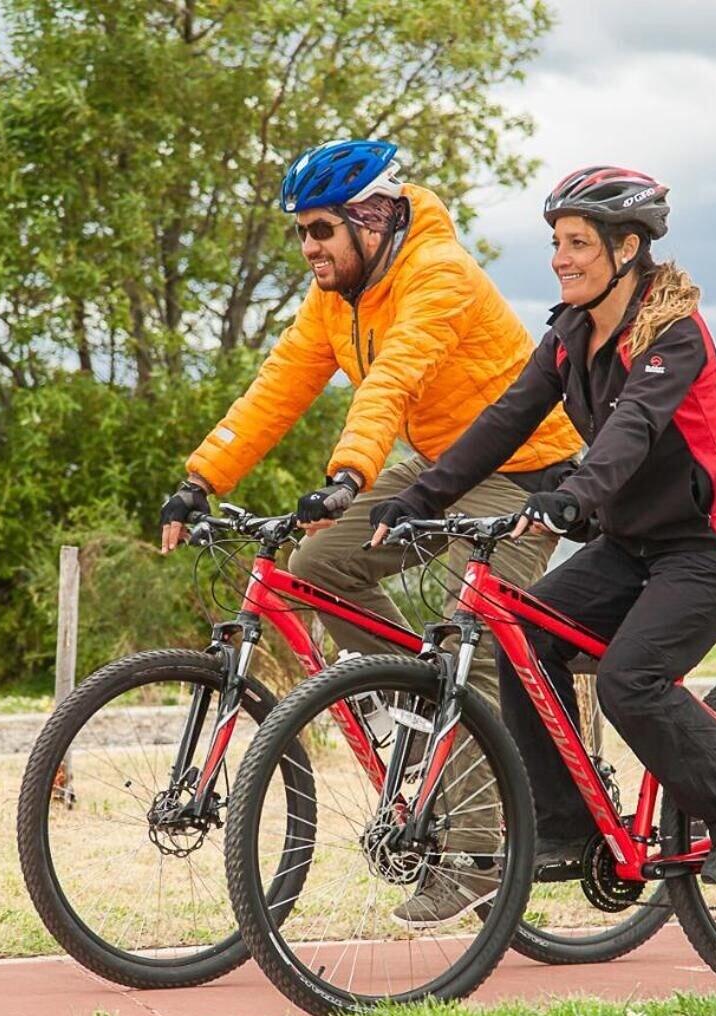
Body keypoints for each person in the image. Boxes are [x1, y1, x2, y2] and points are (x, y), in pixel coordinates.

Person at [158, 138, 583, 926]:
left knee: (474, 637)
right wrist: (199, 480)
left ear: (374, 217)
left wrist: (351, 472)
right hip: (439, 468)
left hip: (525, 472)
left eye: (321, 230)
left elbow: (396, 377)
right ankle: (422, 704)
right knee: (318, 567)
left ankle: (480, 853)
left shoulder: (438, 272)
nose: (309, 247)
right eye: (301, 232)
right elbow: (276, 386)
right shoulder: (335, 298)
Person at [371, 166, 716, 916]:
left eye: (577, 243)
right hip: (634, 545)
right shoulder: (569, 334)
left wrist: (572, 498)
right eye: (556, 243)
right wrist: (420, 495)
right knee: (523, 636)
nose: (560, 257)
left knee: (632, 681)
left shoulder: (674, 334)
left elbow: (631, 429)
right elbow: (506, 419)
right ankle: (567, 821)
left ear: (627, 248)